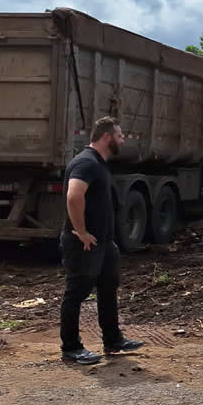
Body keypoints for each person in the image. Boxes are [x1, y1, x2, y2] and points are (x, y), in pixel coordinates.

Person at [59, 117, 144, 365]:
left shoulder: (99, 164)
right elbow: (74, 197)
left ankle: (113, 339)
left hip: (104, 243)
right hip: (84, 242)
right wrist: (81, 231)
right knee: (77, 292)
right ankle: (71, 348)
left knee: (108, 288)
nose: (123, 139)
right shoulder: (86, 163)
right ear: (107, 137)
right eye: (119, 135)